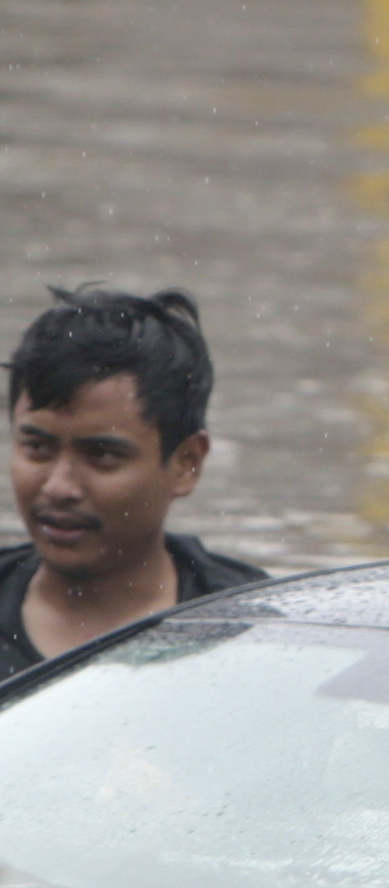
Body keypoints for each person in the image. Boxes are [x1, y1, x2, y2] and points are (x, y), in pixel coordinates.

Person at [2, 286, 264, 679]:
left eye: (102, 455)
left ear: (186, 464)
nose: (59, 487)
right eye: (37, 448)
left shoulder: (256, 638)